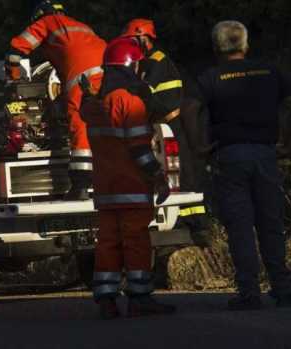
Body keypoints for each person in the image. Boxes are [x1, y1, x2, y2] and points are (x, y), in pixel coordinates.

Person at [187, 21, 291, 310]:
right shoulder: (270, 71)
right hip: (265, 153)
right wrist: (290, 143)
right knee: (271, 222)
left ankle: (249, 292)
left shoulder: (210, 77)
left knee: (240, 226)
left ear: (216, 48)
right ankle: (283, 288)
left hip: (230, 156)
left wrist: (199, 147)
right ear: (246, 45)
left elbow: (189, 108)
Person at [79, 37, 175, 319]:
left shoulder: (93, 106)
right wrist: (157, 176)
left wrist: (86, 94)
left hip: (106, 190)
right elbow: (139, 149)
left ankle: (106, 299)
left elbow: (86, 108)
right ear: (131, 67)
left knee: (107, 243)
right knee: (135, 241)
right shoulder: (128, 101)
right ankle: (140, 297)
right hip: (131, 187)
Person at [120, 18, 210, 248]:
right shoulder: (149, 61)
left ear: (145, 38)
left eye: (133, 40)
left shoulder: (155, 61)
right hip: (165, 124)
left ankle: (198, 226)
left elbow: (145, 92)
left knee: (185, 174)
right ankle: (188, 221)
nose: (130, 45)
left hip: (173, 123)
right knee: (176, 174)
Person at [5, 0, 106, 200]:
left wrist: (14, 81)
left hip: (83, 80)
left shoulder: (47, 22)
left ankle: (81, 186)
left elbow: (15, 52)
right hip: (109, 76)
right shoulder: (81, 25)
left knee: (81, 127)